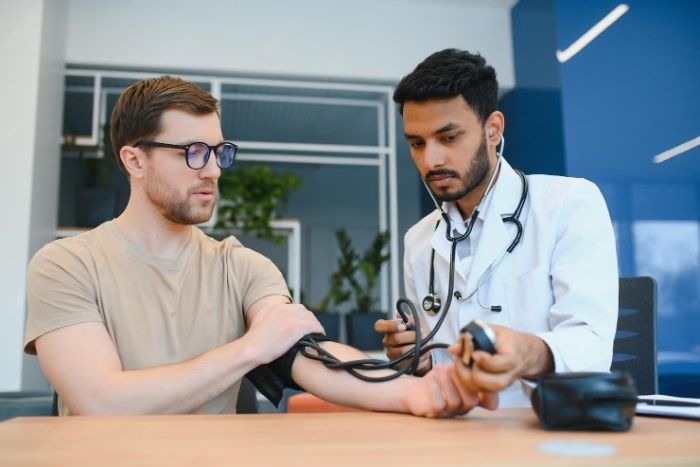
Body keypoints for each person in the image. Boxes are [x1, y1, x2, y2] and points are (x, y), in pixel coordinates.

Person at [24, 75, 488, 417]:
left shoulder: (241, 266)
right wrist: (249, 349)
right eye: (192, 152)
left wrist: (419, 391)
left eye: (218, 152)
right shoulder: (67, 265)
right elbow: (101, 402)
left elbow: (309, 356)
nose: (212, 170)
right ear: (134, 160)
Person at [374, 49, 619, 407]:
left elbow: (591, 343)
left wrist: (526, 351)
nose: (431, 160)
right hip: (456, 428)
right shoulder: (419, 240)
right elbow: (436, 365)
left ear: (493, 129)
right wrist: (419, 359)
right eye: (417, 143)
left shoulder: (569, 204)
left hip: (542, 425)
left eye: (449, 137)